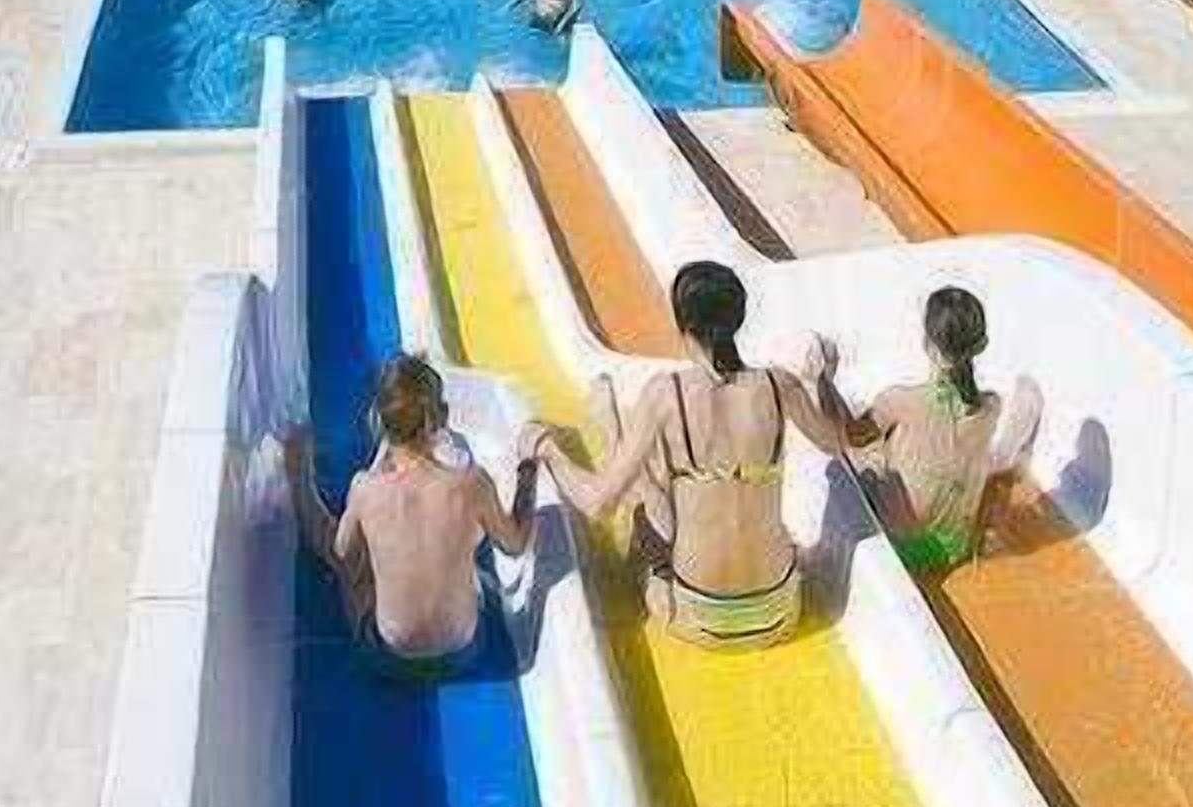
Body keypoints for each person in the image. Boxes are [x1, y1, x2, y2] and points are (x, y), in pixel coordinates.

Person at [522, 260, 846, 651]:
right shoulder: (782, 385)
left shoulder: (665, 394)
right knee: (691, 473)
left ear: (683, 325)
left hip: (698, 618)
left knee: (646, 497)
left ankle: (613, 431)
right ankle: (616, 432)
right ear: (738, 319)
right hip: (778, 613)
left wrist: (546, 450)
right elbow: (835, 443)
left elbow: (598, 503)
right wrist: (822, 381)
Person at [289, 356, 538, 679]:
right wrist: (527, 471)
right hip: (463, 654)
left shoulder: (365, 489)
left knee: (356, 574)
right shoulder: (472, 483)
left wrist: (299, 477)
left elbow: (340, 557)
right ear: (440, 420)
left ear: (379, 420)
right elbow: (516, 544)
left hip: (386, 659)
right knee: (466, 553)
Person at [813, 287, 1042, 577]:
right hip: (955, 549)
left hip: (904, 552)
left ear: (927, 344)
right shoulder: (992, 407)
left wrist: (825, 382)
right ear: (981, 344)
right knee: (968, 462)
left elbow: (845, 437)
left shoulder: (899, 401)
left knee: (852, 464)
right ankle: (1015, 455)